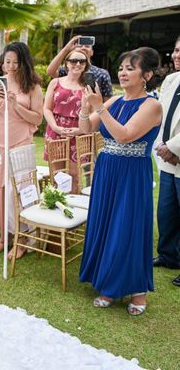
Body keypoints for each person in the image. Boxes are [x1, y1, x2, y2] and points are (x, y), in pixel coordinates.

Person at [78, 47, 162, 316]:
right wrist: (85, 107)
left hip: (131, 173)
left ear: (146, 74)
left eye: (130, 68)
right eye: (121, 68)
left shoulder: (152, 105)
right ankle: (107, 283)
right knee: (106, 222)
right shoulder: (114, 101)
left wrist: (99, 107)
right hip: (107, 169)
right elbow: (86, 128)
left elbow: (125, 135)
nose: (123, 73)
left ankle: (137, 291)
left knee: (127, 226)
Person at [0, 42, 43, 257]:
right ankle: (3, 236)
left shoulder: (33, 87)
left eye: (16, 62)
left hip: (19, 144)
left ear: (24, 63)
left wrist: (16, 105)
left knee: (16, 192)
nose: (11, 66)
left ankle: (22, 238)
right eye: (8, 61)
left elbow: (37, 117)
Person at [43, 47, 91, 191]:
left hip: (79, 133)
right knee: (57, 176)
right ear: (67, 63)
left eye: (82, 61)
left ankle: (73, 209)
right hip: (56, 131)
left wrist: (79, 130)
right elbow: (47, 108)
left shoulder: (89, 87)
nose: (77, 64)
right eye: (74, 60)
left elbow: (95, 114)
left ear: (86, 65)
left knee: (74, 177)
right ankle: (56, 207)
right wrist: (55, 127)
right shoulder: (55, 82)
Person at [153, 36, 180, 287]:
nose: (176, 55)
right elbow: (162, 116)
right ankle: (169, 255)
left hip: (177, 152)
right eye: (175, 50)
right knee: (167, 210)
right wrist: (163, 147)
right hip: (167, 158)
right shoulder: (171, 80)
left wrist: (173, 148)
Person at [47, 36, 113, 101]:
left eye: (87, 46)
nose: (83, 48)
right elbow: (50, 72)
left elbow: (107, 102)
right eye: (79, 46)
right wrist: (66, 49)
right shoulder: (67, 70)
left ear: (92, 52)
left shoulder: (102, 74)